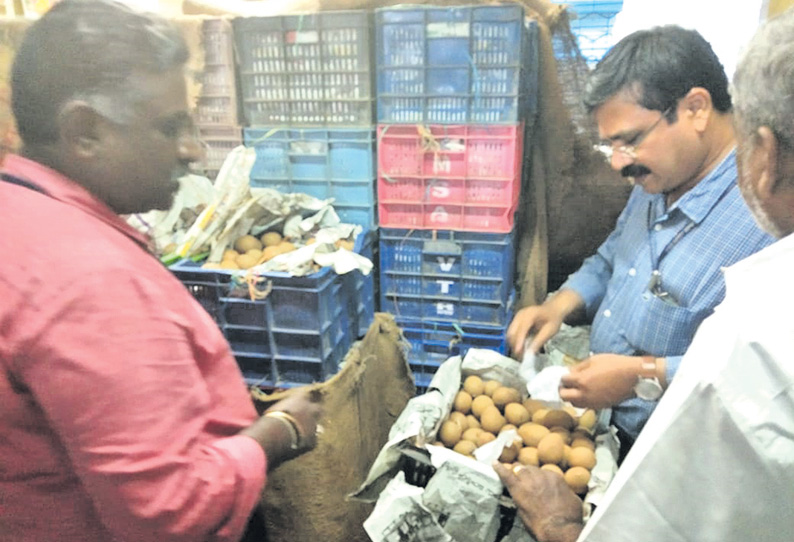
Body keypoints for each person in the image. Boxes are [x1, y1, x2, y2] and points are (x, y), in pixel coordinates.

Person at [0, 2, 322, 541]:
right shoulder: (88, 278)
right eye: (170, 127)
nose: (193, 150)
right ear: (84, 131)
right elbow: (169, 512)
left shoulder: (21, 211)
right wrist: (277, 434)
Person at [495, 9, 794, 542]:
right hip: (606, 434)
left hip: (674, 472)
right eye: (610, 145)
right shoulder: (657, 181)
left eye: (630, 139)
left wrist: (643, 375)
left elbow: (764, 381)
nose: (617, 162)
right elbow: (616, 254)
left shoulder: (768, 218)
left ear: (696, 108)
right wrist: (562, 302)